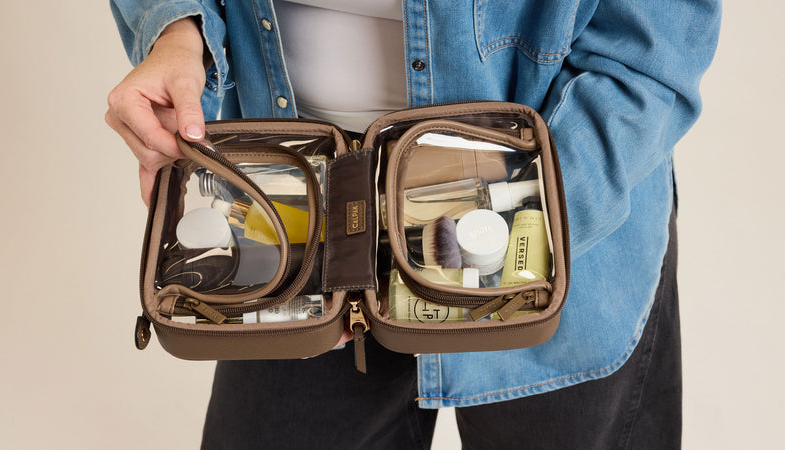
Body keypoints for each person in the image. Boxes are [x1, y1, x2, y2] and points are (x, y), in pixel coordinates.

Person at [106, 1, 720, 448]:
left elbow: (651, 46)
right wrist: (174, 31)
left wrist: (536, 214)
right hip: (291, 233)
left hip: (557, 230)